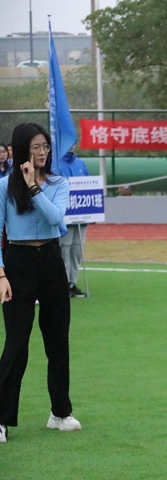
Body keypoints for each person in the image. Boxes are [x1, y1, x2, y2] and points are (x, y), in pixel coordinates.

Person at [0, 123, 81, 444]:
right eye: (36, 147)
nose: (42, 152)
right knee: (16, 343)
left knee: (58, 339)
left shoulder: (59, 183)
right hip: (17, 262)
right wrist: (1, 275)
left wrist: (34, 187)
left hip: (50, 260)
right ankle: (2, 419)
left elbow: (55, 218)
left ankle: (60, 412)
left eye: (45, 147)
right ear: (22, 149)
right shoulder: (4, 186)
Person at [58, 145, 90, 298]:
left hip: (81, 217)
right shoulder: (55, 164)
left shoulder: (80, 164)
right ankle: (63, 283)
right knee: (65, 249)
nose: (71, 145)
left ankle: (72, 282)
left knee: (77, 250)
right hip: (64, 217)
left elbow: (90, 187)